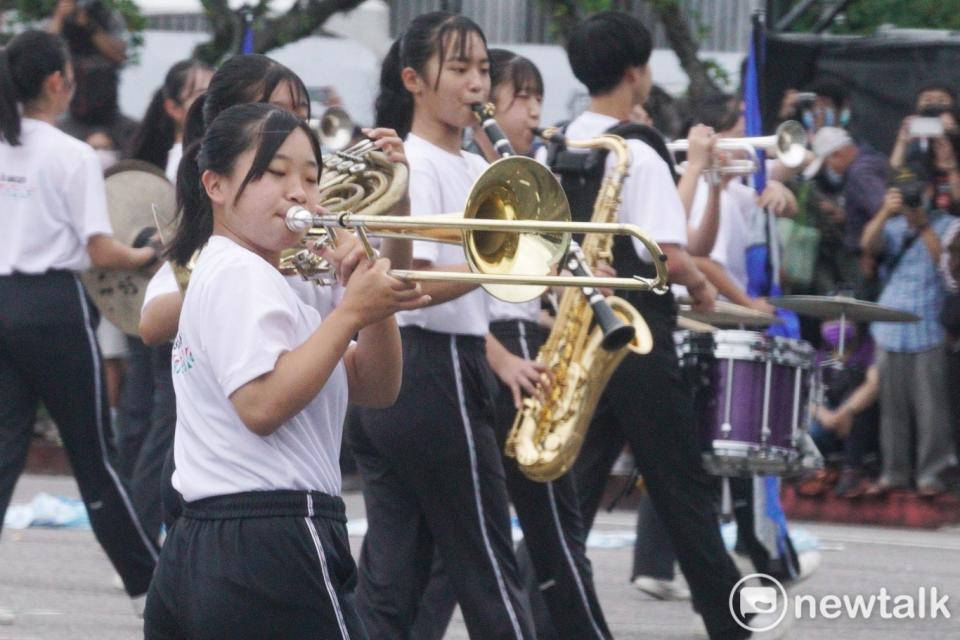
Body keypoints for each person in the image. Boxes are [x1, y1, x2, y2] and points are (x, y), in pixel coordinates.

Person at [142, 101, 429, 638]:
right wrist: (348, 313)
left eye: (311, 177)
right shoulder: (238, 272)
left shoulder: (265, 280)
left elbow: (376, 385)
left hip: (210, 542)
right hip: (270, 536)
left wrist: (369, 301)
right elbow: (262, 406)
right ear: (216, 185)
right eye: (275, 173)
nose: (299, 192)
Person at [537, 12, 761, 639]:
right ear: (635, 73)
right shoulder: (638, 147)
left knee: (574, 490)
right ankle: (729, 620)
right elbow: (670, 250)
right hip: (637, 337)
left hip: (576, 334)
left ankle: (541, 602)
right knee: (680, 486)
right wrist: (701, 290)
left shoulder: (553, 143)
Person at [348, 12, 538, 639]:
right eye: (458, 69)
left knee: (395, 577)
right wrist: (501, 264)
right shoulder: (420, 163)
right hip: (433, 368)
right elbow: (408, 286)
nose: (476, 84)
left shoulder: (471, 167)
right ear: (414, 80)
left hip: (428, 373)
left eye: (483, 69)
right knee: (487, 564)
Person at [0, 30, 159, 621]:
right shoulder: (72, 155)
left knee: (2, 453)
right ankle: (149, 588)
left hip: (2, 302)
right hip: (53, 308)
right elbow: (99, 250)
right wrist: (146, 254)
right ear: (55, 83)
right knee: (94, 454)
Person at [860, 166, 958, 496]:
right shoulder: (891, 224)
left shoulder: (947, 225)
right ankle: (894, 473)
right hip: (889, 324)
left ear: (930, 192)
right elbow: (868, 247)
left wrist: (924, 225)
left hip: (927, 325)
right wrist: (885, 213)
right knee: (892, 408)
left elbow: (944, 265)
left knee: (932, 408)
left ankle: (932, 474)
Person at [803, 126, 889, 299]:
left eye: (828, 164)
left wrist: (868, 252)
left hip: (866, 260)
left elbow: (883, 212)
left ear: (838, 154)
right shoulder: (870, 159)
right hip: (869, 255)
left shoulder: (860, 174)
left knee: (864, 310)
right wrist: (846, 216)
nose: (831, 170)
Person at [46, 0, 135, 144]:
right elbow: (44, 51)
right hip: (71, 111)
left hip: (107, 111)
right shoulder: (59, 18)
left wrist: (89, 25)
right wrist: (59, 16)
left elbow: (118, 54)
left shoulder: (108, 16)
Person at [128, 59, 213, 181]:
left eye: (219, 92)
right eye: (203, 94)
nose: (216, 101)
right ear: (174, 108)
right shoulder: (185, 163)